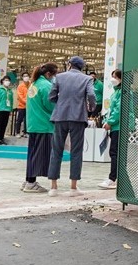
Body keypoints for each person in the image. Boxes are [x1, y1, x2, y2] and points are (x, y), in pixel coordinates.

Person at [48, 56, 96, 196]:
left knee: (56, 150)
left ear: (69, 64)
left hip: (60, 116)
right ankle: (73, 187)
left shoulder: (59, 77)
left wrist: (61, 102)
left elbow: (51, 96)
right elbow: (91, 95)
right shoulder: (87, 79)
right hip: (78, 117)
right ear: (82, 67)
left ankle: (53, 187)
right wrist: (91, 107)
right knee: (76, 151)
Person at [23, 62, 58, 193]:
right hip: (44, 124)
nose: (54, 78)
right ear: (48, 74)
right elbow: (51, 105)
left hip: (33, 124)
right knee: (39, 156)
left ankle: (28, 180)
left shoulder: (34, 84)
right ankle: (31, 183)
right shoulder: (46, 86)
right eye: (54, 75)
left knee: (32, 154)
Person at [99, 69, 124, 189]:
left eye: (115, 77)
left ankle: (113, 178)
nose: (113, 79)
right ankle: (116, 178)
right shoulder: (115, 92)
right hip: (114, 127)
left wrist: (110, 122)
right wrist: (106, 121)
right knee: (115, 153)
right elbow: (111, 110)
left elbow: (118, 110)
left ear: (121, 78)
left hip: (119, 126)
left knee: (115, 153)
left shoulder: (123, 92)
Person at [0, 75, 14, 145]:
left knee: (4, 125)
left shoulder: (10, 91)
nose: (7, 82)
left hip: (7, 110)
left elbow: (11, 101)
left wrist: (11, 110)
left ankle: (1, 138)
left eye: (8, 80)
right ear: (2, 81)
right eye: (6, 80)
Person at [13, 70, 29, 137]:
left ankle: (26, 132)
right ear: (22, 77)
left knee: (27, 120)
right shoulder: (20, 86)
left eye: (27, 76)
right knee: (19, 120)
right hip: (22, 106)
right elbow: (20, 96)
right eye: (24, 76)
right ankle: (17, 132)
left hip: (29, 107)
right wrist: (26, 102)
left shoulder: (31, 85)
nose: (26, 77)